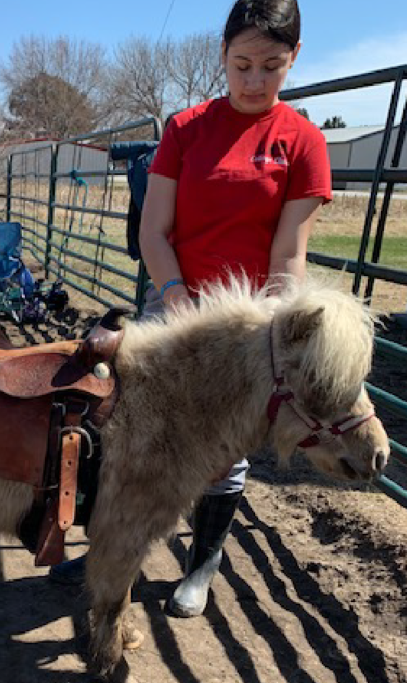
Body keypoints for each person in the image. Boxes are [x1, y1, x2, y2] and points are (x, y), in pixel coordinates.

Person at [139, 0, 331, 617]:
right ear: (221, 56)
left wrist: (268, 331)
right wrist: (176, 300)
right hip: (175, 297)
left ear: (294, 59)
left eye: (271, 67)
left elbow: (290, 251)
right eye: (242, 64)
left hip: (248, 318)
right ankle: (111, 539)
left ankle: (202, 564)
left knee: (224, 444)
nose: (254, 81)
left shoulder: (302, 142)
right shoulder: (186, 128)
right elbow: (153, 233)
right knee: (136, 421)